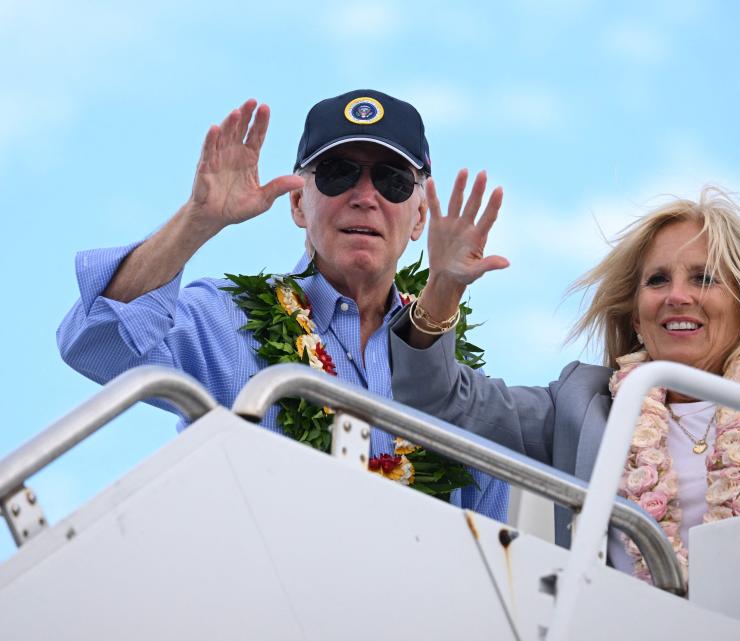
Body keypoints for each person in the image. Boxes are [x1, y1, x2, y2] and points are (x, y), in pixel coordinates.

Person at [388, 183, 740, 639]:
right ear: (636, 316)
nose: (677, 297)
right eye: (657, 280)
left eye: (704, 279)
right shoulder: (582, 405)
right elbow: (444, 402)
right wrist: (444, 287)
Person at [56, 89, 508, 519]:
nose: (365, 197)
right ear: (297, 204)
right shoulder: (228, 320)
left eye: (392, 181)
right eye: (338, 173)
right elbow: (95, 341)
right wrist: (196, 222)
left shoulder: (456, 386)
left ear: (420, 218)